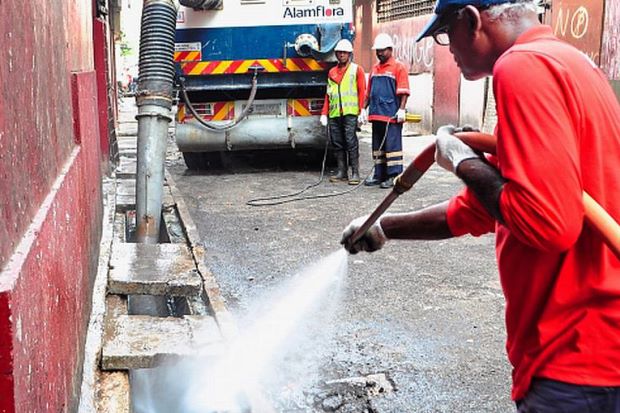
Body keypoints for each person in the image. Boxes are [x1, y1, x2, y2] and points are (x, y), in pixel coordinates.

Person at [341, 0, 620, 411]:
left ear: (471, 20)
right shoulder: (572, 64)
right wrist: (384, 226)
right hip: (601, 348)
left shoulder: (522, 66)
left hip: (572, 355)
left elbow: (547, 224)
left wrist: (460, 160)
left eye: (445, 33)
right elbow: (483, 208)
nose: (446, 47)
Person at [361, 33, 410, 189]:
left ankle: (393, 175)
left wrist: (401, 110)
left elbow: (404, 91)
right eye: (377, 51)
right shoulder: (375, 69)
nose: (379, 53)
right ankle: (379, 174)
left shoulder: (398, 67)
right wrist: (363, 108)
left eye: (382, 50)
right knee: (378, 147)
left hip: (391, 115)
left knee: (392, 146)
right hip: (376, 114)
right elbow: (369, 92)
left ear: (390, 49)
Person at [320, 39, 367, 185]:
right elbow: (329, 94)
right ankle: (342, 171)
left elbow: (362, 91)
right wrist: (324, 113)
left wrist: (362, 110)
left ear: (349, 54)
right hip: (335, 114)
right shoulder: (332, 72)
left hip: (350, 113)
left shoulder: (356, 70)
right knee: (337, 143)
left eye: (344, 53)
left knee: (350, 141)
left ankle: (355, 172)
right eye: (339, 52)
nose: (341, 55)